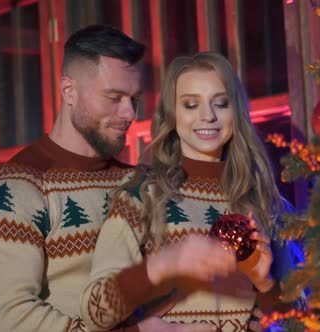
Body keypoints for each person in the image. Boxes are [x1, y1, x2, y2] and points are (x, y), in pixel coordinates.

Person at [0, 25, 216, 332]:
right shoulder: (12, 194)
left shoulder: (138, 184)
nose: (129, 113)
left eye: (133, 98)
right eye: (114, 97)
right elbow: (12, 322)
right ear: (68, 91)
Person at [80, 52, 303, 332]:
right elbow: (93, 313)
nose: (208, 116)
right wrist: (163, 266)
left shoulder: (267, 204)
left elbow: (305, 323)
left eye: (220, 104)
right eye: (190, 104)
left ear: (236, 112)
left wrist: (266, 285)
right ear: (172, 115)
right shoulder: (141, 199)